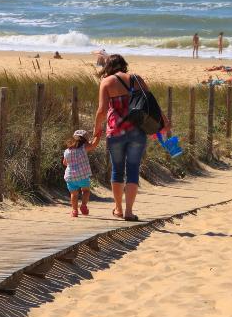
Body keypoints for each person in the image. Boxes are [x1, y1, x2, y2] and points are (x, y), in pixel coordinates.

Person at [92, 54, 169, 221]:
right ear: (124, 65)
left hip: (115, 131)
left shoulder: (106, 82)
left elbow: (102, 110)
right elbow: (151, 104)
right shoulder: (136, 79)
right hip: (137, 131)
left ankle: (118, 209)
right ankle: (129, 211)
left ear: (108, 67)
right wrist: (164, 122)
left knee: (117, 170)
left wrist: (96, 129)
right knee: (133, 170)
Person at [62, 129, 99, 217]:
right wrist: (98, 135)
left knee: (73, 194)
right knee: (85, 191)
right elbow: (94, 144)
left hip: (70, 176)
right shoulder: (84, 148)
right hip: (82, 175)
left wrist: (71, 163)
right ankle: (83, 206)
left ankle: (74, 211)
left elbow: (64, 163)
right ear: (85, 140)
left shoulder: (67, 151)